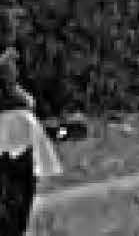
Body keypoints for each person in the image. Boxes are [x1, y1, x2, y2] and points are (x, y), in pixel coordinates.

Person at [0, 45, 60, 236]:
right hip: (13, 152)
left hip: (23, 150)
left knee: (20, 199)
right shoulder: (13, 97)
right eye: (11, 69)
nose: (15, 71)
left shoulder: (20, 94)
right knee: (14, 200)